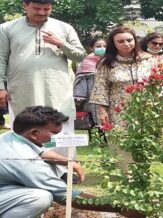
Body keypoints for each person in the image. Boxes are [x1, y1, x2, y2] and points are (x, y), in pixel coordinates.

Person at [0, 106, 144, 218]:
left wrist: (70, 162)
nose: (58, 137)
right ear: (34, 133)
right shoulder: (27, 162)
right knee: (39, 198)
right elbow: (65, 195)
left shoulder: (12, 136)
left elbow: (41, 151)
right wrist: (121, 207)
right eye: (55, 134)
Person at [0, 0, 86, 169]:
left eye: (46, 9)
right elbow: (1, 58)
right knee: (25, 127)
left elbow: (81, 56)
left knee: (61, 127)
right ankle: (28, 169)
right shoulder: (6, 28)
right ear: (25, 6)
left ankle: (66, 170)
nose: (41, 13)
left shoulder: (64, 27)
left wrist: (60, 43)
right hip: (22, 88)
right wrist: (1, 87)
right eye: (36, 8)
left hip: (57, 90)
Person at [90, 26, 156, 172]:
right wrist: (102, 111)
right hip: (118, 109)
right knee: (121, 141)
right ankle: (129, 174)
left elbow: (157, 83)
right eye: (121, 41)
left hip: (145, 108)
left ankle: (144, 172)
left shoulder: (148, 60)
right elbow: (101, 87)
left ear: (135, 40)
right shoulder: (106, 63)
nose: (126, 44)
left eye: (129, 40)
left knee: (145, 139)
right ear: (113, 44)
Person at [74, 38, 107, 126]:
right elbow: (80, 79)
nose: (102, 48)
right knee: (96, 120)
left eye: (105, 46)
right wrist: (79, 97)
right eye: (99, 46)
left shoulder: (111, 60)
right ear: (92, 48)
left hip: (109, 94)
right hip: (92, 95)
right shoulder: (86, 62)